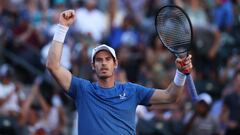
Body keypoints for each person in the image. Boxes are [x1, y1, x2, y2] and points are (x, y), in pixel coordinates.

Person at [46, 10, 193, 135]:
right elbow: (53, 66)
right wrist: (62, 27)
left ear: (115, 63)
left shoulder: (132, 91)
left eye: (108, 59)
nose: (103, 62)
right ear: (93, 65)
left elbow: (170, 96)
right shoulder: (82, 89)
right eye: (99, 60)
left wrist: (180, 73)